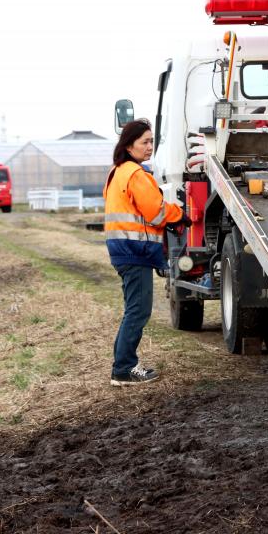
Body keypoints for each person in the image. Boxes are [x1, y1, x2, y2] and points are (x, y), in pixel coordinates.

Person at [103, 120, 187, 386]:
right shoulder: (136, 174)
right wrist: (180, 216)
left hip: (124, 250)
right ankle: (124, 369)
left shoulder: (118, 172)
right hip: (134, 250)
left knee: (133, 309)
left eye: (152, 141)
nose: (150, 147)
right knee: (138, 311)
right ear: (129, 145)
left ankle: (123, 365)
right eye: (145, 142)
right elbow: (156, 211)